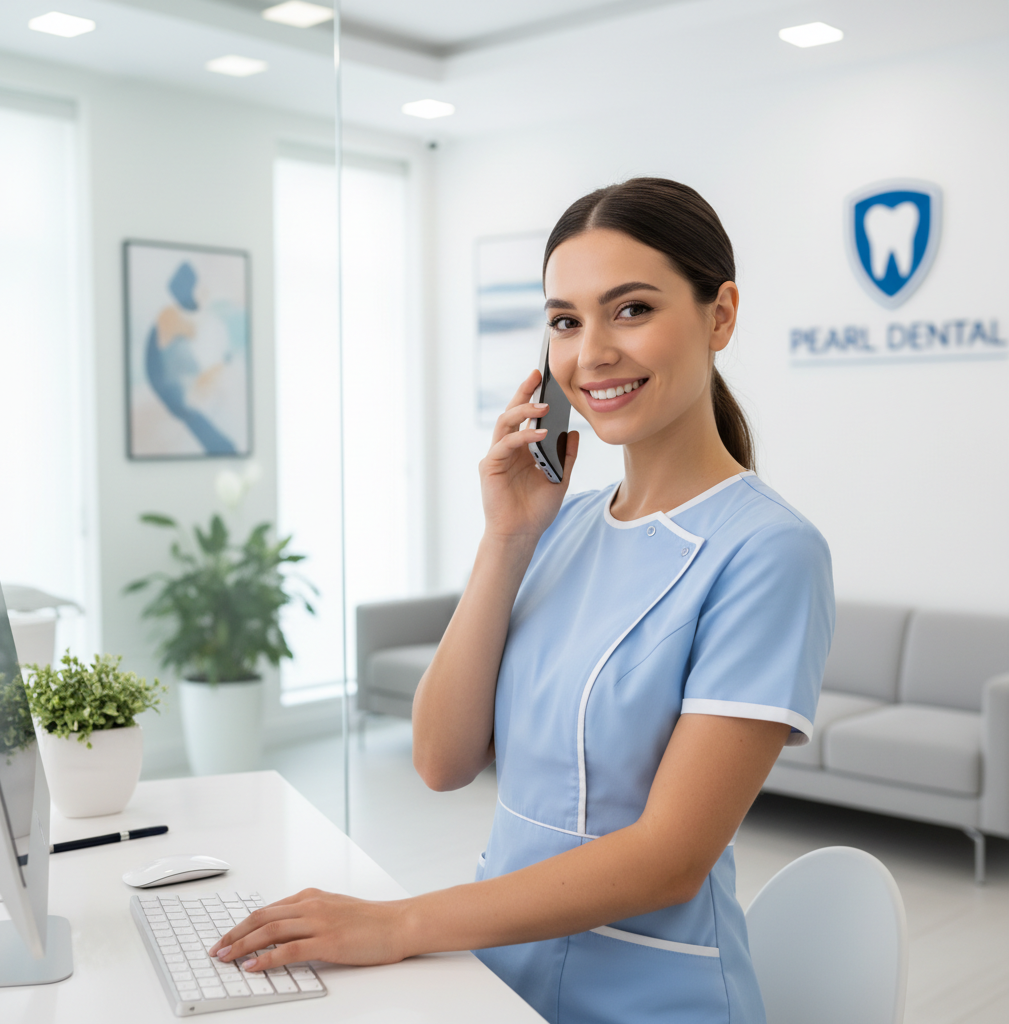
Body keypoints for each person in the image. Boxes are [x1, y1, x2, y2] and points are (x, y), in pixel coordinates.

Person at [210, 178, 835, 1023]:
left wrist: (400, 924)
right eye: (567, 321)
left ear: (720, 315)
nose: (593, 353)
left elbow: (667, 859)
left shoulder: (769, 552)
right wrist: (506, 538)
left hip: (652, 998)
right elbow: (441, 760)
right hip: (495, 980)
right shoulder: (556, 528)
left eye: (633, 309)